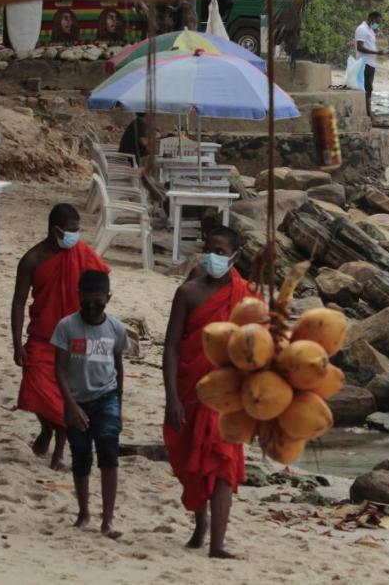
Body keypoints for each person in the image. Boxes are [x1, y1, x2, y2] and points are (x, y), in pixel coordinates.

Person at [162, 226, 250, 558]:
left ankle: (218, 542)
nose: (213, 256)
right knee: (191, 461)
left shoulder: (245, 295)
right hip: (191, 389)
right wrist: (171, 396)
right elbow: (171, 345)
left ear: (235, 257)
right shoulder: (189, 293)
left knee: (224, 463)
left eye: (221, 251)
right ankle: (201, 521)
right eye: (209, 249)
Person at [12, 203, 110, 471]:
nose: (76, 235)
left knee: (69, 395)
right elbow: (19, 302)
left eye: (78, 230)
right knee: (36, 391)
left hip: (75, 336)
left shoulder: (81, 253)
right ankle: (46, 430)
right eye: (71, 230)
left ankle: (59, 453)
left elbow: (100, 287)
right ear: (55, 230)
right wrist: (16, 343)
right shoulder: (32, 259)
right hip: (42, 337)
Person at [52, 269, 127, 539]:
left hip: (106, 397)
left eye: (99, 300)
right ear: (79, 296)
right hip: (77, 400)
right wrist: (71, 406)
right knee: (81, 457)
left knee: (108, 453)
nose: (94, 305)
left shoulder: (116, 328)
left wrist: (118, 402)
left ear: (108, 297)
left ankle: (107, 520)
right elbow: (59, 369)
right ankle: (84, 512)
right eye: (88, 300)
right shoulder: (66, 327)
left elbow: (119, 367)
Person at [354, 10, 385, 118]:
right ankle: (368, 114)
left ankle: (368, 112)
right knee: (367, 87)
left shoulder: (370, 30)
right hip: (364, 62)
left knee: (369, 88)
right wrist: (376, 52)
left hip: (371, 63)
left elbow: (369, 44)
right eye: (377, 21)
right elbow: (360, 47)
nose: (378, 24)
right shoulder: (362, 29)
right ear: (372, 18)